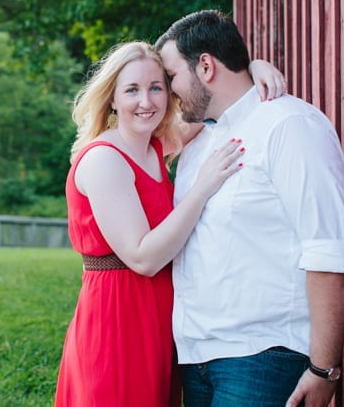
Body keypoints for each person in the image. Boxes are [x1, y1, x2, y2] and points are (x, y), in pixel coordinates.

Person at [54, 41, 285, 407]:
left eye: (156, 87)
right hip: (117, 319)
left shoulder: (155, 146)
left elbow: (218, 103)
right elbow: (143, 258)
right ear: (112, 97)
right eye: (132, 89)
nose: (146, 101)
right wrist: (203, 186)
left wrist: (252, 69)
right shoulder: (104, 160)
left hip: (158, 319)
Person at [155, 10, 344, 407]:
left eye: (171, 76)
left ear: (206, 66)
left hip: (262, 359)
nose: (168, 90)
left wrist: (324, 368)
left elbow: (330, 248)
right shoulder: (199, 142)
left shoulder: (289, 125)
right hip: (196, 359)